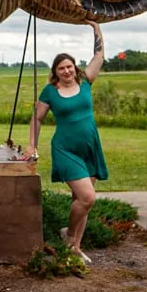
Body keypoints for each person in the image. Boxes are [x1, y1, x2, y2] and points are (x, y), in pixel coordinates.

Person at [23, 20, 108, 263]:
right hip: (65, 149)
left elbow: (99, 54)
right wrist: (32, 145)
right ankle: (68, 235)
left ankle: (75, 248)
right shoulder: (50, 91)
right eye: (61, 68)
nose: (67, 71)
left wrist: (96, 28)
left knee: (80, 200)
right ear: (56, 72)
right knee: (88, 197)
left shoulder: (86, 81)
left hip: (90, 147)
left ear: (75, 67)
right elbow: (37, 119)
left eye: (69, 66)